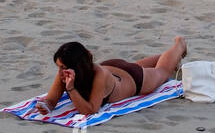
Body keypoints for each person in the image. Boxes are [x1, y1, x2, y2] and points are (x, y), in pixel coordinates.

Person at [36, 37, 187, 117]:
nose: (60, 71)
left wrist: (72, 89)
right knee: (144, 64)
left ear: (77, 66)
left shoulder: (99, 75)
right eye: (59, 67)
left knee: (162, 71)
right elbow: (51, 100)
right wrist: (45, 106)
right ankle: (167, 56)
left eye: (63, 67)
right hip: (116, 69)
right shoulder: (65, 71)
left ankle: (179, 45)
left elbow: (90, 110)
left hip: (134, 79)